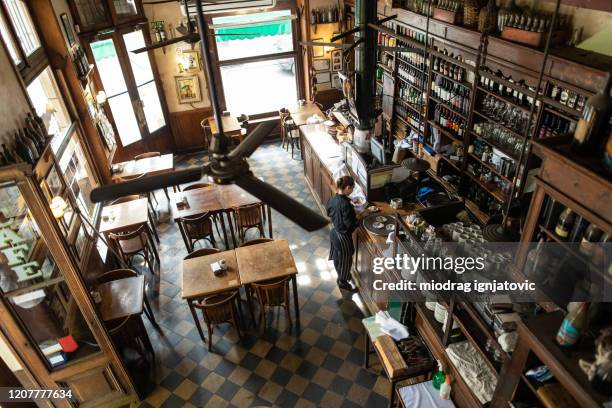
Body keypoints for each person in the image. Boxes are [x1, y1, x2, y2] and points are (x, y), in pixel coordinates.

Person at [326, 176, 369, 292]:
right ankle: (342, 282)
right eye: (352, 189)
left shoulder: (332, 199)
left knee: (337, 256)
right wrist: (360, 216)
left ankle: (340, 273)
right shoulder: (346, 205)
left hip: (334, 232)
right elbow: (350, 226)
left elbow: (328, 212)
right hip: (343, 237)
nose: (352, 191)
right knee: (346, 261)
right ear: (347, 188)